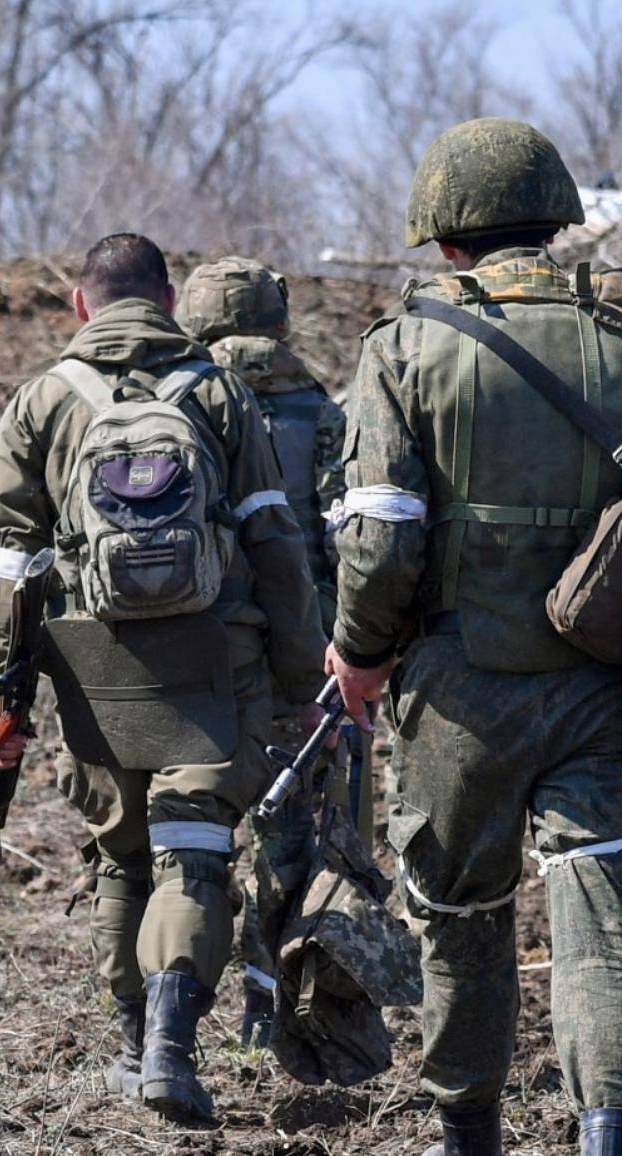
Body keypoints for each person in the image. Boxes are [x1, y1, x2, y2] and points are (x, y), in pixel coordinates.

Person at [326, 118, 622, 1156]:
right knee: (603, 940)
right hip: (606, 694)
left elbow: (379, 538)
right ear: (556, 214)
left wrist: (359, 654)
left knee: (458, 926)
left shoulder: (405, 344)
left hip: (458, 699)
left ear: (443, 235)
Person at [0, 234, 325, 1120]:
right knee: (194, 854)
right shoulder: (220, 393)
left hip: (92, 663)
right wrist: (297, 677)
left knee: (120, 856)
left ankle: (130, 1047)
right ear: (169, 302)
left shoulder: (42, 399)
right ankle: (173, 1044)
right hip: (214, 659)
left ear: (80, 306)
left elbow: (11, 559)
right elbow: (277, 542)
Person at [176, 256, 355, 1046]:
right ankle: (270, 1001)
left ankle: (170, 1001)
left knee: (190, 828)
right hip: (301, 653)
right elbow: (354, 546)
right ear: (279, 322)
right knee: (295, 833)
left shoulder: (168, 402)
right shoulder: (324, 411)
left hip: (191, 652)